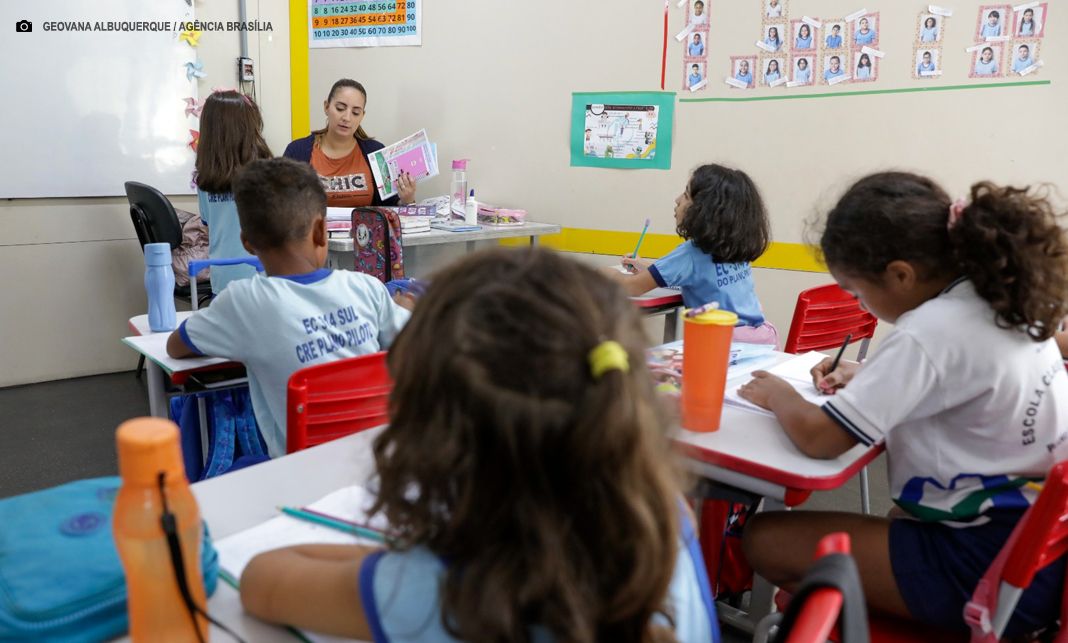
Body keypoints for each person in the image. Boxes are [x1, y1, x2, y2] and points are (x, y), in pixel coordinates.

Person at [238, 247, 722, 642]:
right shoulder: (666, 518)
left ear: (433, 444)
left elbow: (262, 580)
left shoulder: (444, 590)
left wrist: (399, 563)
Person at [737, 172, 1068, 636]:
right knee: (895, 516)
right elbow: (965, 379)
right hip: (1039, 551)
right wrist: (871, 375)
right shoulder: (993, 295)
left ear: (900, 274)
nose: (864, 306)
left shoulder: (929, 329)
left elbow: (819, 439)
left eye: (858, 293)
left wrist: (778, 394)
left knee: (765, 539)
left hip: (991, 568)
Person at [166, 158, 411, 458]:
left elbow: (176, 346)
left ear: (247, 243)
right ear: (322, 231)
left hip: (300, 478)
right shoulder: (367, 288)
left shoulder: (243, 302)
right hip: (379, 463)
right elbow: (413, 342)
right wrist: (400, 305)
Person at [604, 164, 777, 345]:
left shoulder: (690, 254)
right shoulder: (733, 247)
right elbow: (701, 277)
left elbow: (632, 287)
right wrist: (646, 266)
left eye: (686, 195)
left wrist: (604, 274)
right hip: (761, 340)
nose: (677, 200)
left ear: (705, 210)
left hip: (721, 346)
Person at [283, 78, 415, 208]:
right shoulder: (297, 151)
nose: (347, 118)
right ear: (326, 107)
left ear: (362, 116)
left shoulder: (375, 152)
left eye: (355, 112)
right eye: (340, 108)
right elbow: (283, 205)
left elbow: (392, 206)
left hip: (364, 229)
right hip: (314, 229)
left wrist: (407, 199)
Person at [194, 90, 272, 294]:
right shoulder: (266, 174)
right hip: (260, 280)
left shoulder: (204, 180)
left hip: (221, 281)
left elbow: (207, 223)